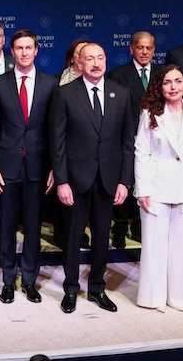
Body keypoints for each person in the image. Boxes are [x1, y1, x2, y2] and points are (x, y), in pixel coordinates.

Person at [50, 43, 135, 314]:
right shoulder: (64, 94)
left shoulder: (121, 94)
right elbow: (57, 142)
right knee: (73, 237)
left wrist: (125, 181)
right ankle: (71, 289)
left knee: (101, 237)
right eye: (90, 59)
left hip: (109, 180)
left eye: (100, 58)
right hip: (75, 181)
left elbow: (127, 143)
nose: (96, 63)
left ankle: (97, 287)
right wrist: (61, 181)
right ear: (79, 63)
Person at [0, 29, 57, 304]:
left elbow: (55, 131)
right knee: (5, 227)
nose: (24, 52)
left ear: (37, 51)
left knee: (33, 227)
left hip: (38, 168)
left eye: (29, 48)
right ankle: (8, 280)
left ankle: (29, 280)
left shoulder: (51, 84)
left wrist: (55, 169)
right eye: (19, 48)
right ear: (11, 52)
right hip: (6, 167)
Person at [132, 66, 183, 310]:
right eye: (167, 82)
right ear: (160, 86)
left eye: (178, 81)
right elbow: (141, 152)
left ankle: (179, 298)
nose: (173, 87)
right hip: (155, 187)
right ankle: (152, 298)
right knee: (154, 246)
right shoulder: (149, 113)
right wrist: (142, 189)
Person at [107, 31, 161, 249]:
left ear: (154, 51)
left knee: (147, 184)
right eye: (140, 47)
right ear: (131, 49)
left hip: (155, 140)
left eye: (149, 48)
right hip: (127, 138)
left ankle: (140, 227)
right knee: (125, 183)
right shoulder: (118, 74)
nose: (144, 51)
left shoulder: (162, 74)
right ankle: (119, 228)